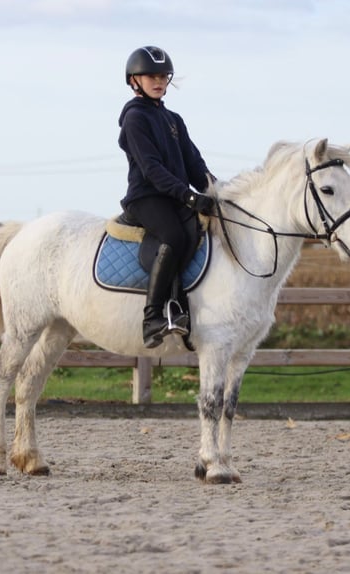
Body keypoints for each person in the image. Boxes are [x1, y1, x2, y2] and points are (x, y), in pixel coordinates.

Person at [118, 45, 216, 349]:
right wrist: (188, 198)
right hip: (146, 197)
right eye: (151, 76)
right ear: (134, 80)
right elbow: (151, 169)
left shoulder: (173, 120)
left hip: (172, 197)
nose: (158, 81)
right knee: (173, 236)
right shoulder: (134, 118)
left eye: (162, 76)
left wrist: (216, 191)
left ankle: (181, 309)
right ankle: (152, 319)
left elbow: (193, 164)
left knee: (197, 232)